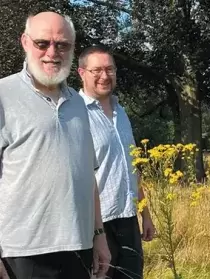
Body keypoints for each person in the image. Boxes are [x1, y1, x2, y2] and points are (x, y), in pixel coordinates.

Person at [0, 12, 111, 279]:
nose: (53, 52)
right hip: (21, 253)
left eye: (62, 45)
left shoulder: (78, 104)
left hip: (78, 248)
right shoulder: (3, 94)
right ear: (25, 42)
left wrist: (98, 235)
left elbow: (88, 176)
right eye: (42, 43)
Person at [77, 45, 155, 279]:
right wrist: (94, 231)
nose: (105, 76)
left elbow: (130, 167)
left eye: (110, 69)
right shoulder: (76, 114)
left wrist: (145, 213)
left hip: (128, 218)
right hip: (97, 225)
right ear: (82, 73)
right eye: (97, 70)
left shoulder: (121, 112)